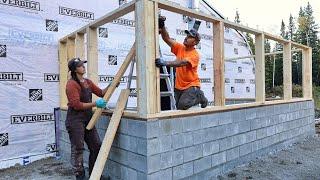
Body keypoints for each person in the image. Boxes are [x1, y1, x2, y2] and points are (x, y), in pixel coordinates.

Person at [65, 57, 108, 180]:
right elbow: (76, 105)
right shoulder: (71, 84)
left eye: (83, 64)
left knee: (96, 146)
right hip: (75, 120)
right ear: (74, 69)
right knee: (78, 148)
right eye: (80, 65)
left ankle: (95, 175)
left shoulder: (87, 82)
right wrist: (95, 104)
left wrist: (113, 84)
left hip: (88, 119)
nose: (83, 66)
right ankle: (80, 176)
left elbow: (101, 93)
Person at [156, 21, 208, 110]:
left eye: (190, 37)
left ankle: (199, 96)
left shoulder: (195, 55)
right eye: (187, 35)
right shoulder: (180, 48)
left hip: (191, 85)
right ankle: (197, 96)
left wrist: (165, 63)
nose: (186, 38)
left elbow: (181, 63)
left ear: (195, 42)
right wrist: (162, 26)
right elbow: (167, 38)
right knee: (178, 107)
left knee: (182, 105)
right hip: (179, 86)